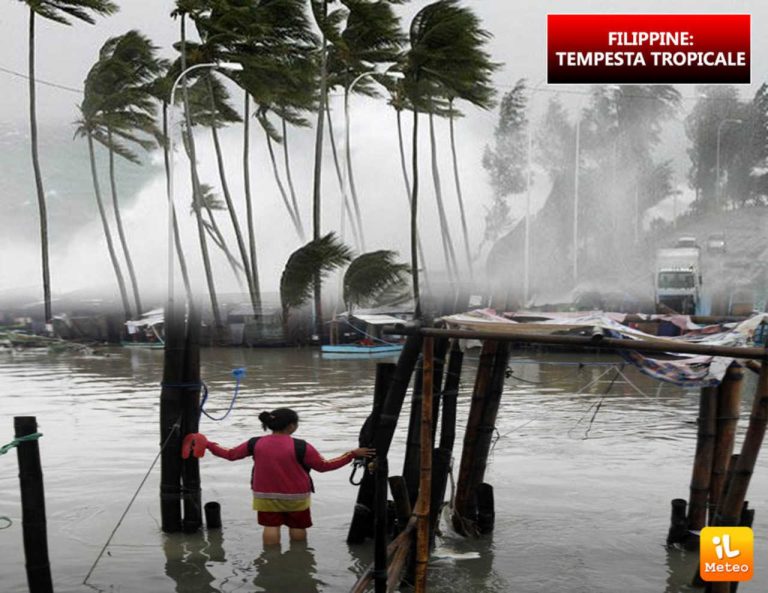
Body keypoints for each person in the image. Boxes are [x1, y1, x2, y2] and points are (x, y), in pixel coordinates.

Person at [200, 407, 374, 545]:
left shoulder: (255, 442)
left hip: (264, 494)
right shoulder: (302, 446)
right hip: (296, 495)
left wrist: (208, 444)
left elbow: (230, 454)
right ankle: (299, 557)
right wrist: (352, 454)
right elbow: (324, 466)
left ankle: (271, 559)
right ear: (292, 426)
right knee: (298, 526)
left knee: (270, 526)